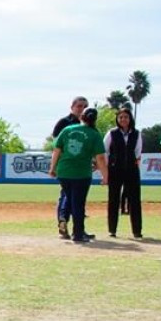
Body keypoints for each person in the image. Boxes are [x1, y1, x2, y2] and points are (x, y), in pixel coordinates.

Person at [48, 107, 107, 243]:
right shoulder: (94, 134)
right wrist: (105, 176)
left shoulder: (67, 130)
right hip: (81, 173)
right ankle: (78, 233)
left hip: (64, 171)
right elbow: (101, 158)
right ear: (94, 120)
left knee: (69, 197)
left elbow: (56, 150)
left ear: (82, 117)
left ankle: (63, 217)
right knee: (78, 203)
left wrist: (52, 168)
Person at [51, 96, 88, 239]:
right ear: (72, 107)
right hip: (66, 166)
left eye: (84, 107)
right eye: (79, 106)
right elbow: (56, 144)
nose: (81, 109)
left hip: (80, 167)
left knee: (74, 197)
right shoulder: (64, 123)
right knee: (68, 195)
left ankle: (70, 225)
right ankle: (66, 224)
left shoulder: (87, 124)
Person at [104, 105, 143, 238]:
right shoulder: (112, 133)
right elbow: (105, 151)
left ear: (130, 118)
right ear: (117, 119)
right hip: (115, 170)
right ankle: (112, 230)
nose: (123, 119)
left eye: (126, 117)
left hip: (132, 170)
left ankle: (137, 231)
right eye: (120, 117)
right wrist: (107, 167)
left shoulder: (136, 133)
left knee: (135, 200)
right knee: (113, 199)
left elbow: (138, 152)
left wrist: (134, 163)